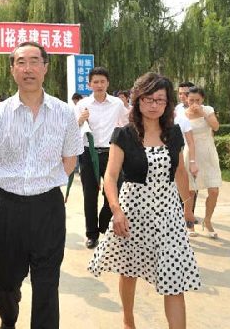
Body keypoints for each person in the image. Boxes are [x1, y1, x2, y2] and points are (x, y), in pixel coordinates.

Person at [0, 41, 83, 329]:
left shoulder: (64, 113)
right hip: (6, 207)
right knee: (4, 281)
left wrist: (43, 182)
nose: (28, 69)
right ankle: (8, 320)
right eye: (21, 62)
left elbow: (69, 160)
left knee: (47, 282)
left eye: (35, 61)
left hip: (47, 207)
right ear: (13, 69)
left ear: (45, 68)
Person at [88, 72, 200, 329]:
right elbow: (111, 176)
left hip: (168, 213)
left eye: (160, 100)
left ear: (167, 103)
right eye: (148, 99)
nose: (154, 105)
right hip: (132, 211)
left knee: (174, 277)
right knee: (129, 270)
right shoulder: (124, 134)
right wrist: (116, 210)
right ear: (137, 101)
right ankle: (128, 320)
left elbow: (180, 172)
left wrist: (187, 208)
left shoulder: (173, 134)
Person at [75, 67, 129, 249]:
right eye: (95, 82)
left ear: (108, 83)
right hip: (88, 153)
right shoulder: (82, 105)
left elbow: (126, 124)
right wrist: (81, 120)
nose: (99, 85)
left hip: (112, 153)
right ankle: (91, 234)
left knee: (113, 194)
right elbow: (72, 130)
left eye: (102, 82)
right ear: (89, 84)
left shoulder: (117, 104)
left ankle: (104, 224)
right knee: (89, 195)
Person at [183, 86, 221, 238]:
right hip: (191, 154)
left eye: (197, 100)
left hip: (208, 153)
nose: (194, 103)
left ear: (202, 100)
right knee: (191, 191)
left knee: (214, 190)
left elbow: (216, 127)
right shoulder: (183, 115)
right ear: (186, 99)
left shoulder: (208, 110)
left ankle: (208, 220)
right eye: (191, 100)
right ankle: (190, 223)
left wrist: (203, 114)